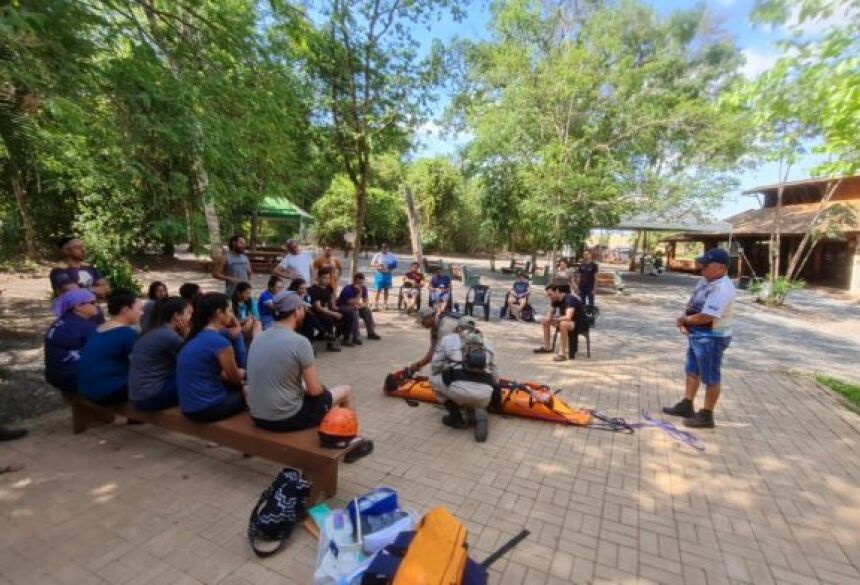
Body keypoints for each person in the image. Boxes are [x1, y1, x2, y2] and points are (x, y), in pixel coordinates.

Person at [247, 292, 356, 432]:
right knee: (346, 391)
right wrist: (322, 389)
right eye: (302, 308)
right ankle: (349, 439)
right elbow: (314, 391)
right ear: (296, 311)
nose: (304, 311)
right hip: (286, 418)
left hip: (257, 415)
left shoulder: (258, 338)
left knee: (321, 399)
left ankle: (332, 431)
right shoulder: (300, 342)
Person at [662, 248, 735, 429]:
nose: (701, 268)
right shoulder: (706, 281)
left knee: (710, 376)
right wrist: (685, 320)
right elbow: (693, 302)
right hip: (698, 334)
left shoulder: (722, 288)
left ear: (720, 268)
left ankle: (706, 415)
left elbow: (707, 316)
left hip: (711, 337)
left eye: (706, 265)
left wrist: (685, 320)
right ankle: (687, 404)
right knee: (692, 370)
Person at [176, 293, 246, 422]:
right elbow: (235, 378)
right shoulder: (220, 343)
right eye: (230, 310)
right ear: (219, 313)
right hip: (207, 408)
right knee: (252, 393)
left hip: (187, 406)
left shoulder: (194, 336)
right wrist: (242, 374)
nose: (232, 315)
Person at [430, 316, 497, 442]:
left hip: (458, 390)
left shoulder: (448, 339)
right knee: (482, 385)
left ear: (458, 328)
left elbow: (435, 366)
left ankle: (456, 417)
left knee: (433, 377)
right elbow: (495, 374)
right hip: (485, 394)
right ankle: (480, 407)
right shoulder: (488, 342)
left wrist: (448, 369)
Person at [77, 290, 142, 404]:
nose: (142, 313)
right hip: (108, 392)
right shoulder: (125, 333)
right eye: (139, 309)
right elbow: (145, 363)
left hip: (86, 388)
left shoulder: (99, 328)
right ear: (125, 310)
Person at [128, 297, 191, 411]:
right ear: (177, 316)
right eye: (189, 313)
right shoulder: (169, 336)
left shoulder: (154, 330)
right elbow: (193, 362)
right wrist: (187, 336)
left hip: (138, 394)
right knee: (202, 380)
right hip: (150, 397)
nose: (191, 318)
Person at [44, 289, 101, 395]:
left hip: (53, 375)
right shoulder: (84, 326)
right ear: (78, 306)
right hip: (72, 377)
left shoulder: (63, 321)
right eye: (92, 303)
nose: (97, 306)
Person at [406, 307, 462, 375]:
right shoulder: (434, 329)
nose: (421, 323)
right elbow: (432, 352)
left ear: (430, 317)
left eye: (422, 320)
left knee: (436, 369)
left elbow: (441, 354)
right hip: (455, 351)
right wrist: (418, 364)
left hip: (463, 353)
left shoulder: (444, 328)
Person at [534, 284, 583, 362]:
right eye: (548, 295)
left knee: (563, 324)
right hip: (568, 321)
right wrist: (547, 318)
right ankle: (547, 347)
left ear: (557, 291)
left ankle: (562, 353)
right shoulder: (555, 300)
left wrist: (555, 319)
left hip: (579, 322)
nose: (549, 297)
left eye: (550, 294)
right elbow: (550, 313)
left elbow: (568, 317)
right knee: (546, 322)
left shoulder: (569, 299)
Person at [308, 271, 354, 348]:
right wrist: (334, 313)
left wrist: (334, 307)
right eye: (324, 278)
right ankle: (330, 344)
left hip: (327, 309)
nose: (327, 280)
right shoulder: (314, 290)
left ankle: (346, 339)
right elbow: (318, 308)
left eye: (328, 278)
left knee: (349, 313)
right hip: (317, 313)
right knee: (329, 319)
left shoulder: (329, 286)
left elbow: (331, 297)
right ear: (318, 278)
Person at [337, 272, 381, 344]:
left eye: (362, 283)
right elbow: (351, 302)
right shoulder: (347, 289)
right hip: (343, 306)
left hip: (354, 306)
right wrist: (359, 292)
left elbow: (366, 302)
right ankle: (356, 336)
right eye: (358, 283)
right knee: (355, 312)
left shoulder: (364, 288)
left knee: (367, 310)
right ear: (354, 281)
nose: (360, 285)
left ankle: (371, 332)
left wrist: (360, 306)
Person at [370, 243, 398, 310]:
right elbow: (372, 264)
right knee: (378, 290)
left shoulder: (392, 255)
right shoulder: (377, 255)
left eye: (386, 248)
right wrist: (379, 265)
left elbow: (395, 264)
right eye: (383, 248)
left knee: (386, 289)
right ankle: (375, 304)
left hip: (388, 274)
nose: (385, 249)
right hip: (379, 274)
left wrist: (390, 266)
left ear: (388, 248)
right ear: (381, 248)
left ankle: (385, 304)